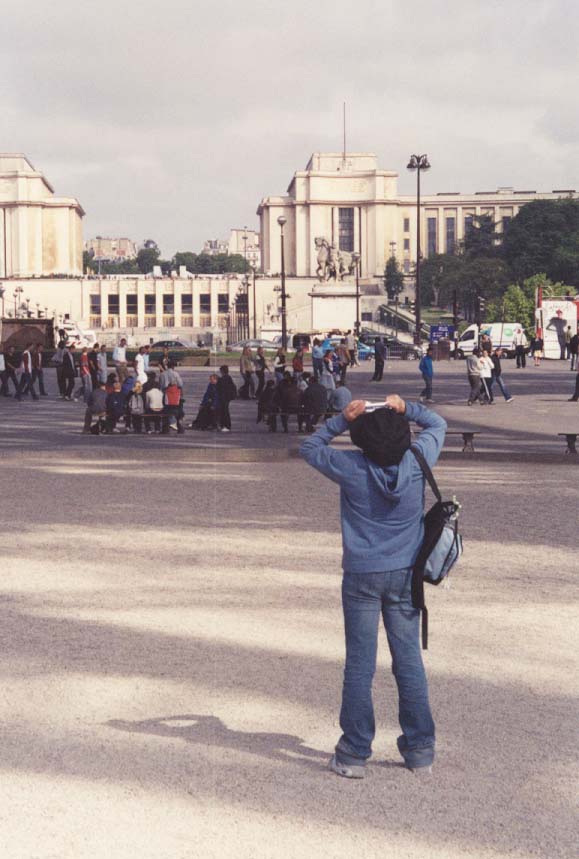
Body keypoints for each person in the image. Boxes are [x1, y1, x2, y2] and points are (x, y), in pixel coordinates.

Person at [300, 395, 447, 778]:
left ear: (361, 439)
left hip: (362, 573)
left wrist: (342, 421)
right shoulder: (418, 461)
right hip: (405, 572)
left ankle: (353, 752)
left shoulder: (350, 466)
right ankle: (419, 750)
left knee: (360, 664)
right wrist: (406, 407)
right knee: (409, 660)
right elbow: (437, 424)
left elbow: (309, 447)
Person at [216, 365, 237, 432]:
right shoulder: (227, 377)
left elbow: (220, 388)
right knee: (224, 411)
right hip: (226, 397)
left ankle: (226, 426)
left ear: (222, 371)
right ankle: (224, 425)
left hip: (224, 397)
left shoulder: (224, 378)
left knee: (225, 411)